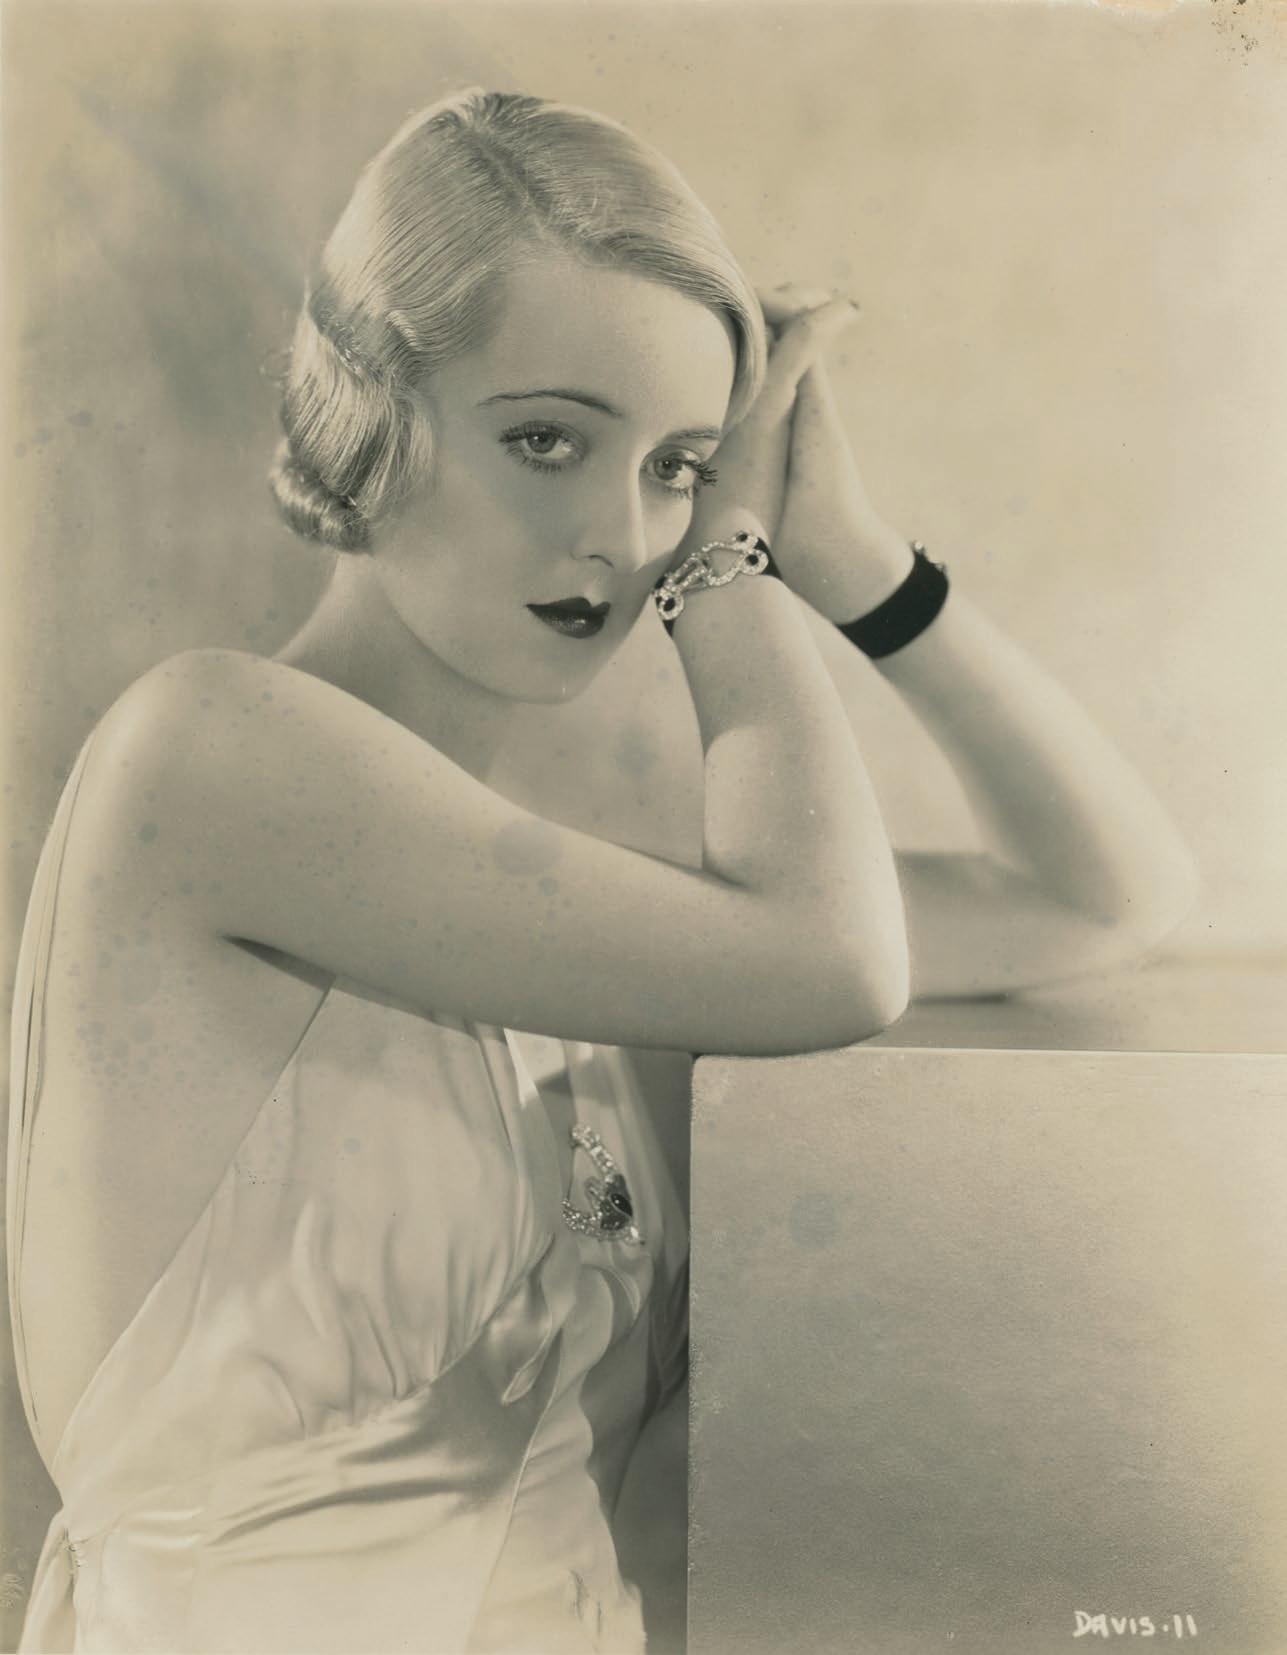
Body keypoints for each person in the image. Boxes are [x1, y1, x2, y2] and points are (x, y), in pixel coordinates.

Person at [6, 87, 1197, 1654]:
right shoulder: (210, 753)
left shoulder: (549, 918)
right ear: (376, 411)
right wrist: (730, 567)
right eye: (548, 440)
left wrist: (854, 558)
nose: (622, 539)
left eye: (680, 467)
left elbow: (1107, 899)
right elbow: (836, 965)